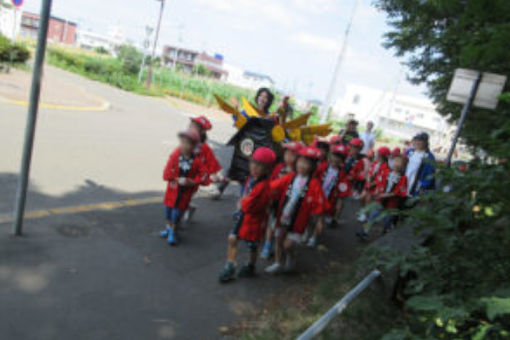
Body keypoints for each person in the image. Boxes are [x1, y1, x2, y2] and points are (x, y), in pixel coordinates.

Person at [265, 146, 327, 274]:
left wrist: (320, 221)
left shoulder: (314, 183)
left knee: (287, 244)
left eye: (307, 163)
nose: (302, 165)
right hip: (283, 215)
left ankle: (291, 255)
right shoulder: (291, 176)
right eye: (301, 161)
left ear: (312, 166)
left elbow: (319, 203)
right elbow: (273, 186)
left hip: (299, 219)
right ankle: (277, 263)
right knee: (278, 239)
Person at [218, 147, 276, 283]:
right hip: (244, 217)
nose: (254, 167)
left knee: (252, 246)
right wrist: (243, 201)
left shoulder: (263, 186)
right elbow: (245, 195)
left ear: (267, 169)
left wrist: (242, 202)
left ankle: (251, 265)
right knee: (232, 238)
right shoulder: (252, 178)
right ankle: (230, 264)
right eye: (253, 162)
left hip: (254, 221)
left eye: (259, 165)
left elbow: (249, 204)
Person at [161, 130, 206, 246]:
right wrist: (175, 179)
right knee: (168, 212)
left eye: (188, 143)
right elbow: (166, 173)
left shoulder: (196, 161)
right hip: (172, 191)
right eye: (183, 142)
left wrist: (192, 181)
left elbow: (204, 175)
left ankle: (173, 232)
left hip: (184, 195)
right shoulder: (175, 156)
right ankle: (168, 228)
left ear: (194, 146)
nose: (185, 146)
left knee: (176, 214)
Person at [260, 141, 302, 259]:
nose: (288, 157)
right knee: (271, 223)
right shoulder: (279, 167)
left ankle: (280, 247)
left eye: (292, 154)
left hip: (288, 203)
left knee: (282, 226)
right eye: (287, 153)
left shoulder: (298, 173)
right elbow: (271, 181)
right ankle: (268, 244)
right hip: (275, 200)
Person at [357, 155, 408, 240]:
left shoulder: (403, 178)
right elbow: (380, 182)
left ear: (404, 166)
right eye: (395, 161)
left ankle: (384, 235)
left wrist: (386, 195)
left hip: (391, 203)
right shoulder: (386, 172)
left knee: (386, 220)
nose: (396, 164)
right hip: (380, 200)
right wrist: (377, 191)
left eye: (400, 162)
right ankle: (365, 231)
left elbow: (400, 191)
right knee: (373, 215)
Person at [187, 115, 223, 219]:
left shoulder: (204, 148)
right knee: (179, 199)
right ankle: (185, 211)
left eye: (194, 127)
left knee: (183, 199)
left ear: (201, 132)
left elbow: (211, 162)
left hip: (194, 179)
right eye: (190, 126)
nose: (190, 128)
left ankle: (174, 226)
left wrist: (214, 174)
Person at [313, 143, 352, 236]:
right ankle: (309, 233)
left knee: (320, 219)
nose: (336, 159)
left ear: (343, 160)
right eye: (335, 155)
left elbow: (343, 190)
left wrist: (340, 202)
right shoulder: (322, 166)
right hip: (315, 196)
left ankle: (314, 237)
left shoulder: (342, 174)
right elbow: (314, 177)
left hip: (328, 200)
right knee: (309, 216)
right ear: (331, 155)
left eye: (340, 157)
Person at [359, 147, 391, 222]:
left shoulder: (386, 168)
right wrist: (368, 179)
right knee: (362, 197)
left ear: (383, 156)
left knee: (368, 199)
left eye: (378, 154)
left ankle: (365, 215)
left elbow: (380, 179)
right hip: (369, 183)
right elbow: (370, 173)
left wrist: (372, 184)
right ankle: (363, 211)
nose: (376, 155)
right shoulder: (375, 163)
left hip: (375, 187)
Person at [405, 132, 436, 197]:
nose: (417, 142)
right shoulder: (410, 152)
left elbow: (430, 175)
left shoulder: (429, 157)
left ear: (426, 142)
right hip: (404, 182)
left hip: (415, 186)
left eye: (420, 141)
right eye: (416, 140)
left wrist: (423, 187)